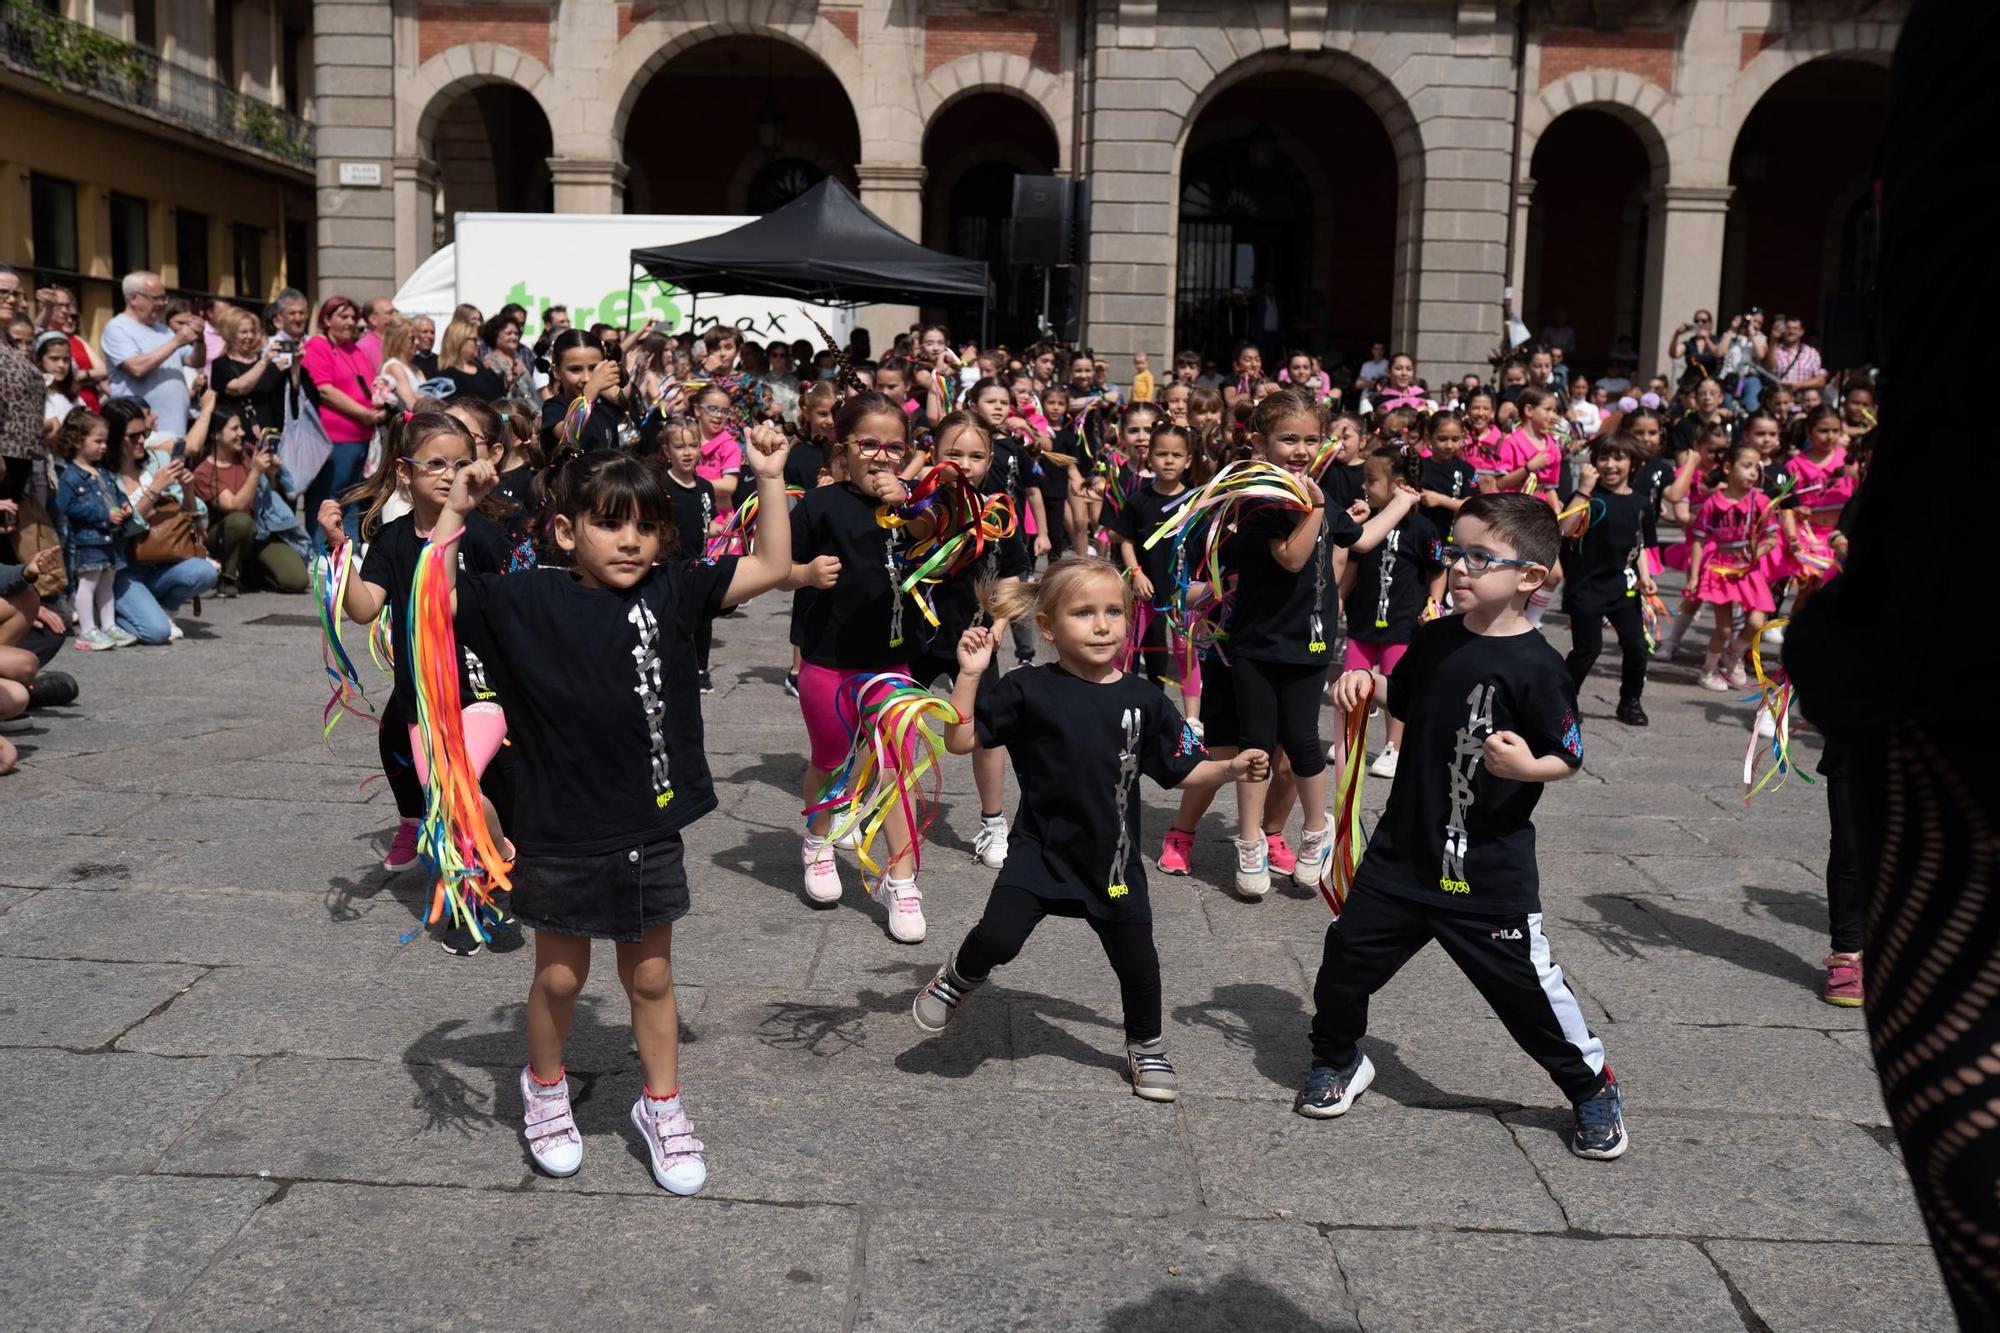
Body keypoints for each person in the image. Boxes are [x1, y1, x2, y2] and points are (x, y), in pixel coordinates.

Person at [436, 432, 795, 1194]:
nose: (630, 540)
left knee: (654, 974)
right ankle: (543, 1085)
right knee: (561, 977)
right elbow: (433, 598)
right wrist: (454, 510)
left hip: (646, 821)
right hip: (559, 827)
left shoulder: (671, 587)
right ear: (566, 531)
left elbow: (768, 566)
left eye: (644, 524)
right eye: (608, 522)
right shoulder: (524, 598)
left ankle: (661, 1105)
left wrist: (767, 478)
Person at [1298, 491, 1625, 1160]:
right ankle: (1338, 1057)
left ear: (1529, 576)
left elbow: (1570, 753)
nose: (1462, 567)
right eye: (1456, 552)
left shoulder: (1540, 666)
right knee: (1345, 960)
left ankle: (1591, 1087)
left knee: (1528, 996)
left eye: (1481, 556)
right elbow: (1410, 696)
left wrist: (1528, 763)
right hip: (1403, 854)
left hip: (1487, 871)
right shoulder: (1439, 637)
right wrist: (1364, 682)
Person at [910, 557, 1269, 1102]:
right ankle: (959, 975)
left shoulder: (1147, 700)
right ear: (1049, 628)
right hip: (1040, 852)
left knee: (1139, 966)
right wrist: (969, 674)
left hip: (1113, 860)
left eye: (1113, 612)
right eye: (1084, 613)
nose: (1103, 625)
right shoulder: (1029, 689)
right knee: (999, 937)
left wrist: (1230, 768)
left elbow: (1182, 770)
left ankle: (1146, 1044)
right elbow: (959, 742)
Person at [318, 410, 522, 957]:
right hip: (421, 700)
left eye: (460, 462)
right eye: (435, 464)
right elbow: (364, 609)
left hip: (480, 688)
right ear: (405, 473)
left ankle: (490, 885)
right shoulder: (390, 539)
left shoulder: (483, 536)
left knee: (459, 789)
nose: (449, 474)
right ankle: (485, 874)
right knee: (447, 798)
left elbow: (513, 612)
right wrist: (340, 548)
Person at [1225, 388, 1416, 898]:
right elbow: (1290, 556)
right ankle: (1249, 843)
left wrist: (1399, 504)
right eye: (1288, 438)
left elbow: (1360, 539)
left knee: (1306, 742)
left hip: (1308, 639)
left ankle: (1315, 833)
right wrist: (1314, 508)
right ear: (1259, 441)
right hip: (1256, 641)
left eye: (1310, 439)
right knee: (1256, 745)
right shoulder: (1257, 494)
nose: (1300, 449)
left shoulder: (1317, 492)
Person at [787, 391, 931, 938]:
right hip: (827, 658)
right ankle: (818, 840)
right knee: (828, 757)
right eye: (868, 444)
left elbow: (940, 545)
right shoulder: (821, 506)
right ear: (844, 449)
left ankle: (903, 881)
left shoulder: (917, 503)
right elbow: (777, 565)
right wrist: (805, 576)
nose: (882, 456)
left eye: (895, 446)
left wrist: (912, 508)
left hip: (890, 661)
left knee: (894, 767)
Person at [901, 412, 1031, 869]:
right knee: (892, 726)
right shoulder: (916, 507)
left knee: (986, 736)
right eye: (953, 453)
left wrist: (997, 630)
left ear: (991, 459)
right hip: (914, 636)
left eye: (976, 455)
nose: (965, 463)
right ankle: (870, 806)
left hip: (974, 641)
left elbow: (1013, 576)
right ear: (933, 454)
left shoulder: (999, 512)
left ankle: (993, 821)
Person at [1338, 444, 1445, 780]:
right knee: (1350, 683)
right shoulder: (1367, 522)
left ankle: (1394, 746)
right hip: (1362, 619)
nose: (1364, 487)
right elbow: (1353, 563)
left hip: (1402, 621)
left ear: (1398, 484)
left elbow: (1439, 569)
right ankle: (1350, 740)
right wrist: (1339, 599)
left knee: (1394, 686)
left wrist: (1434, 603)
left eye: (1371, 480)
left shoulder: (1423, 529)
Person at [1558, 433, 1658, 726]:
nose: (1610, 465)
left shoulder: (1641, 503)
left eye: (1618, 458)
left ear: (1633, 463)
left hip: (1622, 587)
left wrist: (1646, 576)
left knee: (1637, 646)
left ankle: (1630, 701)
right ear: (1593, 462)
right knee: (1588, 648)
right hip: (1585, 586)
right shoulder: (1587, 497)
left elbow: (1638, 544)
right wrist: (1583, 491)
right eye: (1604, 457)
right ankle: (1563, 702)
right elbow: (1565, 528)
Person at [102, 399, 217, 643]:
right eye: (132, 437)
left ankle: (160, 607)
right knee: (157, 633)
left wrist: (187, 490)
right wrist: (154, 490)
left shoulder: (157, 461)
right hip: (123, 568)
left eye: (144, 433)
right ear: (112, 437)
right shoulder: (103, 476)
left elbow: (197, 519)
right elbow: (120, 529)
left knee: (205, 572)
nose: (142, 441)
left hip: (162, 561)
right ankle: (106, 614)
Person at [1115, 422, 1202, 727]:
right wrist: (1136, 573)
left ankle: (1192, 717)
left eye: (1176, 455)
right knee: (1126, 648)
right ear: (1149, 457)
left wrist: (1196, 587)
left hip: (1181, 593)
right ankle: (1119, 704)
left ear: (1188, 460)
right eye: (1161, 453)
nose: (1168, 460)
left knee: (1185, 652)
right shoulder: (1139, 500)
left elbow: (1203, 547)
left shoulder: (1196, 501)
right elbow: (1125, 541)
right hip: (1144, 589)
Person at [1684, 441, 1777, 691]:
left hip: (1749, 568)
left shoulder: (1760, 501)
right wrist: (1694, 576)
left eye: (1756, 468)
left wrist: (1760, 551)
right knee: (1723, 628)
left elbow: (1771, 537)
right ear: (1727, 467)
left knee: (1758, 621)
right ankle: (1707, 671)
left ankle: (1733, 655)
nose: (1753, 473)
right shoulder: (1713, 503)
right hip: (1721, 568)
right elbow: (1699, 541)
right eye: (1746, 466)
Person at [190, 406, 310, 596]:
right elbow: (235, 506)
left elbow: (267, 495)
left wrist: (271, 474)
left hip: (259, 532)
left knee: (297, 580)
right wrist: (255, 472)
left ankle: (251, 573)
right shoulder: (204, 472)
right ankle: (227, 578)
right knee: (240, 521)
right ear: (216, 435)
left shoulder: (246, 453)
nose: (242, 433)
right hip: (223, 536)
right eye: (235, 429)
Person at [300, 296, 388, 550]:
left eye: (352, 317)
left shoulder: (353, 348)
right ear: (326, 320)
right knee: (329, 498)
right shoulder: (318, 345)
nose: (350, 322)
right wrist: (364, 414)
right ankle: (319, 550)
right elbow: (325, 390)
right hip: (335, 438)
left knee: (353, 497)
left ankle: (346, 548)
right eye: (343, 317)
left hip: (362, 438)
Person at [54, 408, 132, 651]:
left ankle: (108, 625)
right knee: (87, 584)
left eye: (105, 441)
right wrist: (103, 514)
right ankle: (87, 629)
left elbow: (117, 495)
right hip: (88, 540)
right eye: (97, 441)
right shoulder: (71, 476)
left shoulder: (104, 473)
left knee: (107, 582)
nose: (103, 447)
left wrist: (124, 506)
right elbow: (67, 506)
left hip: (110, 538)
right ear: (78, 441)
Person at [101, 272, 203, 440]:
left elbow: (194, 360)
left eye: (164, 298)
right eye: (155, 298)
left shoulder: (163, 330)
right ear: (133, 298)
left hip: (176, 429)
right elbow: (137, 368)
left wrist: (200, 339)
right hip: (141, 435)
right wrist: (176, 341)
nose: (162, 304)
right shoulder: (117, 328)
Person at [659, 420, 720, 691]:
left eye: (693, 445)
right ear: (666, 451)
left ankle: (700, 667)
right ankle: (669, 665)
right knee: (671, 618)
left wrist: (720, 528)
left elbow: (708, 521)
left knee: (703, 620)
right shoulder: (661, 486)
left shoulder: (705, 488)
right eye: (679, 446)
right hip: (668, 565)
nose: (687, 452)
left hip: (699, 564)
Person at [32, 285, 104, 411]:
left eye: (67, 305)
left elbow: (104, 370)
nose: (65, 310)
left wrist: (82, 375)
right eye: (59, 305)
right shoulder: (39, 337)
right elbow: (35, 333)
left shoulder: (76, 339)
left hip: (79, 406)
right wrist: (48, 308)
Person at [438, 315, 505, 404]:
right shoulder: (448, 376)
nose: (479, 343)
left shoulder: (480, 365)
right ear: (459, 341)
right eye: (474, 339)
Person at [1764, 316, 1827, 391]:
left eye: (1795, 328)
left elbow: (1821, 380)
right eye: (1788, 328)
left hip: (1803, 398)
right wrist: (1774, 339)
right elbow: (1769, 368)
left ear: (1801, 332)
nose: (1791, 331)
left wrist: (1797, 385)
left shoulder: (1811, 353)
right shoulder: (1776, 350)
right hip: (1781, 397)